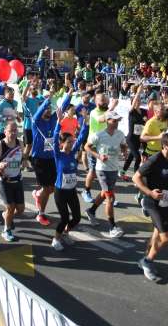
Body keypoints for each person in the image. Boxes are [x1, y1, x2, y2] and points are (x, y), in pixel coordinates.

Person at [134, 132, 168, 281]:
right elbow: (135, 177)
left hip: (166, 203)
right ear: (165, 146)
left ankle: (147, 257)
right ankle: (147, 261)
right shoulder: (155, 160)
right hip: (152, 202)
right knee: (167, 237)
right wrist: (150, 193)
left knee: (157, 233)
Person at [50, 92, 90, 251]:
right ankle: (55, 239)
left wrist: (86, 122)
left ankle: (66, 233)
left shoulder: (73, 153)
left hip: (71, 190)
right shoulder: (58, 154)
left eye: (72, 141)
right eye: (69, 141)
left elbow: (81, 138)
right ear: (63, 144)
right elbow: (54, 138)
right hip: (60, 191)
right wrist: (59, 123)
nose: (72, 143)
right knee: (64, 217)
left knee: (77, 218)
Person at [84, 109, 127, 238]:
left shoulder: (120, 134)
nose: (117, 123)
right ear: (108, 121)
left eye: (118, 121)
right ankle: (112, 227)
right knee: (110, 197)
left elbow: (123, 145)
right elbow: (87, 147)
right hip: (102, 169)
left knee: (104, 193)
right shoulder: (99, 135)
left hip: (114, 169)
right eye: (114, 121)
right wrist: (98, 156)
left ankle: (91, 211)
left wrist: (125, 151)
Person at [30, 93, 62, 227]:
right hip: (39, 159)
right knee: (46, 188)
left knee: (52, 188)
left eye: (49, 108)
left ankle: (38, 194)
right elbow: (38, 113)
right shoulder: (36, 122)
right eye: (45, 109)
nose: (48, 110)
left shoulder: (52, 120)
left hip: (51, 159)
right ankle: (41, 213)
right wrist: (47, 100)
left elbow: (62, 109)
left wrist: (69, 95)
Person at [0, 120, 24, 242]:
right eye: (11, 131)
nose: (13, 133)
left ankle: (6, 215)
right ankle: (6, 230)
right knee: (10, 206)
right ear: (5, 132)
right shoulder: (0, 146)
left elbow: (22, 158)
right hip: (4, 181)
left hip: (17, 180)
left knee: (20, 209)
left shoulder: (20, 143)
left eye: (15, 130)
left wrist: (25, 160)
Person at [82, 93, 110, 204]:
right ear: (96, 102)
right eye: (102, 100)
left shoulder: (107, 111)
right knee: (93, 171)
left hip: (105, 146)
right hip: (93, 146)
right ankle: (86, 191)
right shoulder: (94, 112)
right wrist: (111, 108)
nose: (105, 102)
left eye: (105, 100)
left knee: (106, 172)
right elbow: (101, 120)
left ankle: (107, 195)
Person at [122, 89, 145, 180]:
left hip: (138, 138)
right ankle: (136, 177)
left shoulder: (143, 112)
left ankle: (123, 171)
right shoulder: (131, 112)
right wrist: (138, 92)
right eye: (136, 101)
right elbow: (134, 100)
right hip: (131, 138)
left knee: (131, 157)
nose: (137, 102)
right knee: (138, 157)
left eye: (139, 100)